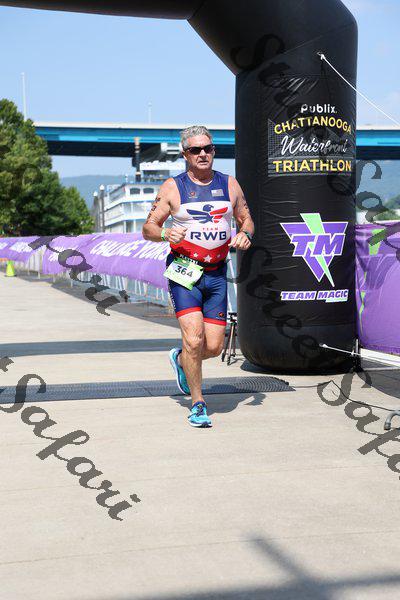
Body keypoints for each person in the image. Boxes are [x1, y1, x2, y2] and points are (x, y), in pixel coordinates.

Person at [142, 125, 254, 427]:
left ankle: (181, 360)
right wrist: (165, 233)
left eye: (208, 148)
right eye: (195, 150)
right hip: (184, 272)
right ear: (185, 154)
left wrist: (245, 234)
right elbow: (148, 228)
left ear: (214, 151)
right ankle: (198, 403)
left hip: (216, 273)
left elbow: (246, 220)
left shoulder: (229, 184)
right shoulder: (172, 187)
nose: (203, 154)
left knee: (213, 347)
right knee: (194, 339)